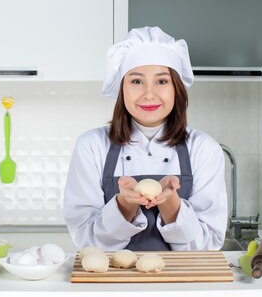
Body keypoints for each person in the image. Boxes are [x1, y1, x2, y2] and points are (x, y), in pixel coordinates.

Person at [63, 26, 227, 251]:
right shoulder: (91, 146)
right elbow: (86, 240)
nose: (149, 94)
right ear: (121, 88)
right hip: (113, 282)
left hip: (183, 282)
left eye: (161, 81)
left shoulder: (203, 149)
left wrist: (171, 204)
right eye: (137, 81)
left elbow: (208, 244)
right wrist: (124, 206)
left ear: (176, 89)